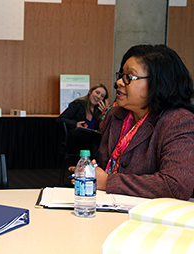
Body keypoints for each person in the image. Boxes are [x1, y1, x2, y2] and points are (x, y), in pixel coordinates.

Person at [72, 44, 194, 200]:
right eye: (121, 75)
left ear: (158, 83)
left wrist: (108, 182)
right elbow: (105, 166)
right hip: (107, 206)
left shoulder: (179, 122)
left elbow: (176, 185)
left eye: (129, 77)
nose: (119, 83)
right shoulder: (115, 115)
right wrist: (89, 173)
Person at [56, 84, 109, 157]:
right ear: (90, 91)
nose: (99, 97)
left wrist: (105, 113)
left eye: (102, 96)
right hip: (77, 143)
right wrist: (75, 124)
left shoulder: (100, 111)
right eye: (97, 92)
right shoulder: (78, 104)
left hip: (93, 143)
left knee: (99, 138)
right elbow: (60, 119)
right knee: (75, 133)